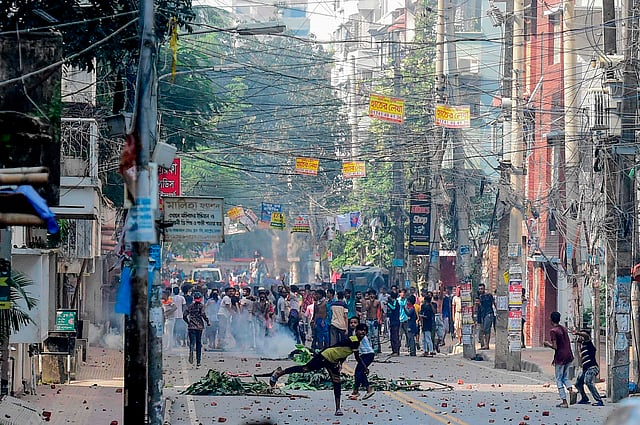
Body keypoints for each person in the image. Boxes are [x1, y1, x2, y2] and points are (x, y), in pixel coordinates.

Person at [267, 323, 369, 417]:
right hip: (325, 356)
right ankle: (280, 373)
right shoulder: (354, 340)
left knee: (337, 381)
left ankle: (338, 408)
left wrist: (340, 363)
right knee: (305, 369)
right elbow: (357, 358)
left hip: (332, 361)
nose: (363, 332)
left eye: (365, 331)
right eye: (361, 330)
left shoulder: (356, 342)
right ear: (356, 331)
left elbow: (343, 351)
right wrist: (365, 367)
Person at [543, 311, 575, 408]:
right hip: (569, 355)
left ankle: (564, 401)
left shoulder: (553, 331)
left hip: (560, 356)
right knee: (565, 377)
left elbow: (555, 346)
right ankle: (571, 390)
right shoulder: (563, 329)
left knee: (558, 379)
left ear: (551, 319)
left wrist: (547, 344)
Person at [572, 328, 604, 406]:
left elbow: (586, 336)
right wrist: (578, 344)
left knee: (588, 382)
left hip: (592, 367)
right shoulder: (583, 346)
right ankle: (584, 398)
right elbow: (580, 358)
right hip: (585, 369)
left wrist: (577, 333)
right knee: (578, 384)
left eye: (581, 335)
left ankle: (599, 400)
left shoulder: (588, 343)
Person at [348, 317, 375, 401]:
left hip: (368, 354)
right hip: (364, 355)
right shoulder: (354, 333)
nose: (353, 324)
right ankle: (357, 390)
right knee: (359, 372)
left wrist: (365, 367)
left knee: (359, 372)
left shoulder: (357, 335)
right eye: (351, 322)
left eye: (355, 323)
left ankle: (365, 389)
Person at [183, 291, 211, 367]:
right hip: (199, 327)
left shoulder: (190, 306)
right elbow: (203, 314)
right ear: (201, 298)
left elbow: (184, 315)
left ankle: (191, 350)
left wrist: (188, 322)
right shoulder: (202, 306)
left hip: (191, 326)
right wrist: (207, 321)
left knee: (192, 342)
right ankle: (198, 361)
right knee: (199, 343)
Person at [477, 283, 495, 350]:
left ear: (484, 289)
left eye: (481, 289)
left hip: (488, 314)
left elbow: (493, 303)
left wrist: (497, 312)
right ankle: (484, 345)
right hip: (482, 315)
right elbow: (478, 308)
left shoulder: (488, 296)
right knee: (482, 330)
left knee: (486, 329)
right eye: (479, 289)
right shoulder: (479, 297)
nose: (480, 290)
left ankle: (487, 345)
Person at [387, 291, 401, 356]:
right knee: (392, 337)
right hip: (392, 321)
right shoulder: (392, 302)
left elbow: (393, 308)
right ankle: (393, 350)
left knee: (395, 336)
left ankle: (396, 351)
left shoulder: (396, 302)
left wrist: (388, 304)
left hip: (395, 322)